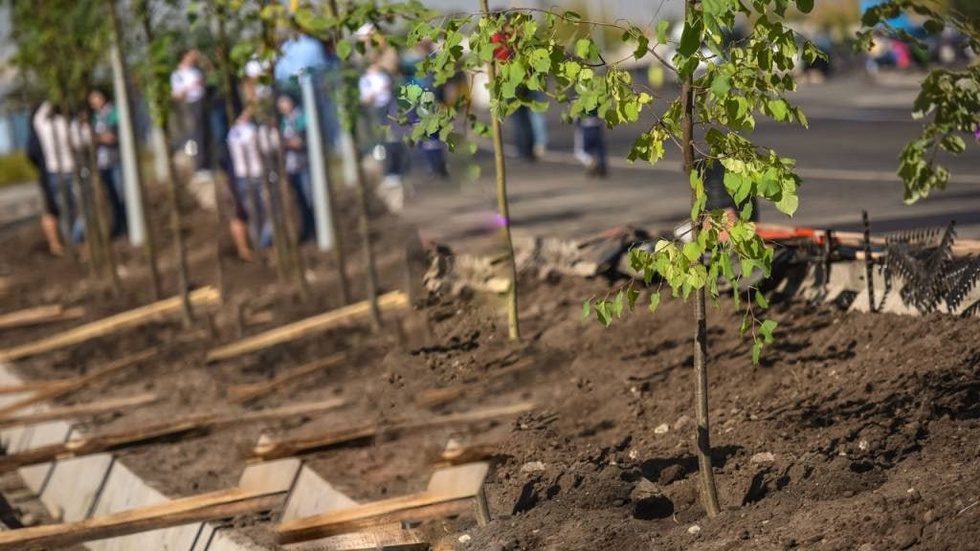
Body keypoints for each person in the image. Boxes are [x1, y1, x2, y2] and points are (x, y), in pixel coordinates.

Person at [33, 101, 82, 247]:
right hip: (70, 170)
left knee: (64, 209)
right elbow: (78, 143)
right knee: (80, 208)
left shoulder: (43, 126)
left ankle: (69, 239)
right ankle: (75, 238)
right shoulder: (66, 124)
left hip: (54, 172)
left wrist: (48, 100)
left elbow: (37, 117)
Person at [227, 111, 270, 260]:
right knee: (262, 212)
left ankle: (257, 245)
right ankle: (261, 245)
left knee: (252, 213)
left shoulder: (233, 132)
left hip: (242, 177)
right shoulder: (251, 130)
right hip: (253, 175)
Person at [87, 90, 127, 238]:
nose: (94, 102)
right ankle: (118, 226)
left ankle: (126, 225)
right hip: (103, 163)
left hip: (115, 160)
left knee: (121, 195)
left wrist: (96, 138)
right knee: (112, 197)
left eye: (96, 98)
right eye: (91, 99)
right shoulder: (95, 117)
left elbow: (112, 137)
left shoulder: (113, 112)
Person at [275, 95, 315, 244]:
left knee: (309, 199)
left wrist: (284, 143)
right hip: (291, 167)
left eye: (284, 101)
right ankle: (305, 231)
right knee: (300, 201)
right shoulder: (284, 122)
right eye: (280, 103)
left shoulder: (302, 117)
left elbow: (301, 141)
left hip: (304, 164)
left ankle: (314, 230)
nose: (282, 105)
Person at [26, 104, 61, 256]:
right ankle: (56, 244)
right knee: (52, 209)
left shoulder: (37, 132)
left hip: (47, 173)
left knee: (52, 209)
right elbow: (32, 153)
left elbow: (31, 154)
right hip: (49, 173)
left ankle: (57, 243)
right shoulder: (42, 131)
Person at [171, 48, 207, 170]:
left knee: (203, 133)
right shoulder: (178, 75)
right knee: (194, 134)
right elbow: (177, 95)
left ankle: (205, 163)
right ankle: (198, 164)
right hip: (190, 104)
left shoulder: (196, 71)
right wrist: (190, 87)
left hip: (202, 102)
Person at [574, 109, 608, 178]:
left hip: (586, 128)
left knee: (580, 152)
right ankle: (602, 165)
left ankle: (591, 163)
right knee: (599, 147)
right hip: (597, 126)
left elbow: (577, 118)